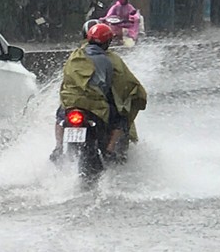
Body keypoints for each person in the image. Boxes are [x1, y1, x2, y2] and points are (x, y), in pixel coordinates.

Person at [49, 21, 147, 163]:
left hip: (71, 102)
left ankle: (58, 147)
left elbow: (67, 80)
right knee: (121, 119)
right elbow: (117, 84)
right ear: (107, 42)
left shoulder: (75, 55)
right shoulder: (109, 60)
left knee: (60, 116)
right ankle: (110, 150)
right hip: (95, 106)